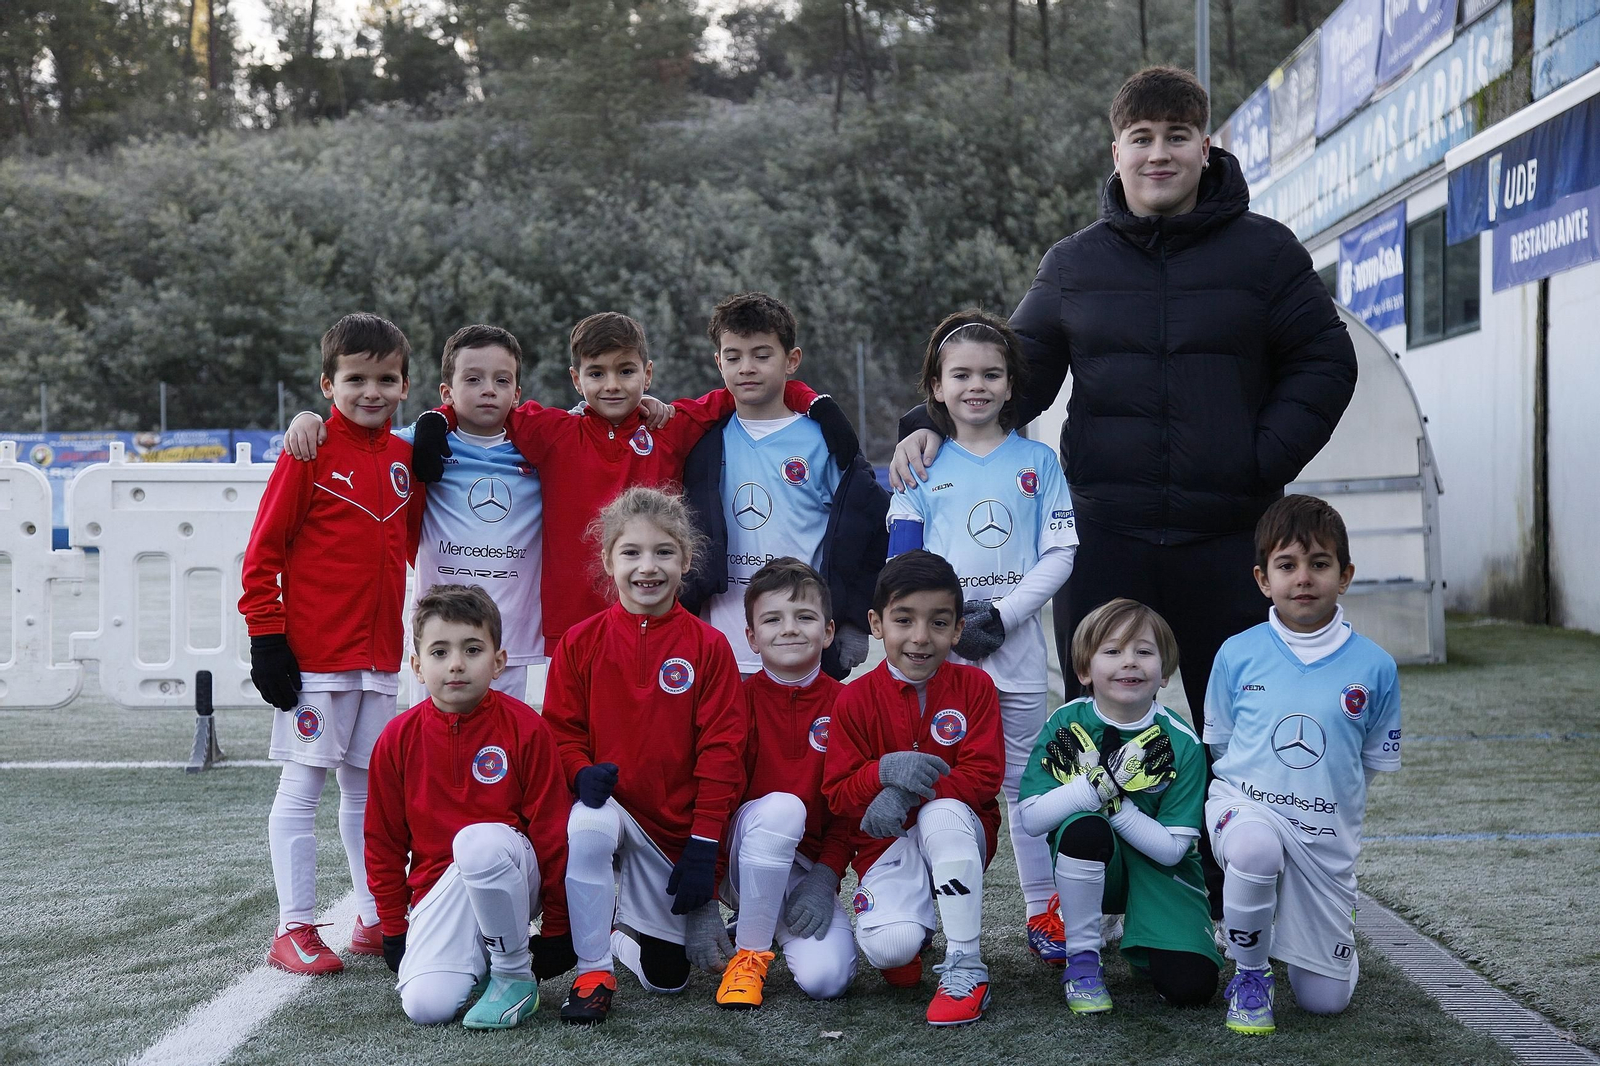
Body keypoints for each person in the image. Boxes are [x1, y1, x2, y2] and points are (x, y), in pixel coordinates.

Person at [890, 68, 1358, 915]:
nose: (1159, 153)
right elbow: (1012, 377)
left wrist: (1258, 458)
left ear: (1205, 146)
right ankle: (1099, 908)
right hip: (1110, 535)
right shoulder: (1074, 264)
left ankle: (1230, 902)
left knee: (1236, 730)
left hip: (1230, 539)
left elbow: (1326, 362)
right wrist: (923, 422)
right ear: (1117, 151)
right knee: (1097, 729)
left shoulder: (1267, 252)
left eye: (1177, 136)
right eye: (1141, 138)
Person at [412, 312, 852, 648]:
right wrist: (437, 417)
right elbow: (485, 401)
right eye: (596, 373)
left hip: (657, 614)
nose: (612, 385)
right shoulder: (552, 432)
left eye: (626, 371)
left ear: (648, 373)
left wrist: (814, 401)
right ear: (576, 379)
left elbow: (748, 387)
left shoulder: (669, 427)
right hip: (571, 628)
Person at [884, 310, 1079, 965]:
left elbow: (1060, 552)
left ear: (1010, 384)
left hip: (1017, 653)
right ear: (935, 387)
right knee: (929, 781)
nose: (977, 385)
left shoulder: (1038, 461)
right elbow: (901, 564)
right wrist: (939, 627)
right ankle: (910, 920)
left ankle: (1043, 911)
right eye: (960, 374)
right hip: (937, 660)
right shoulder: (917, 465)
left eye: (991, 374)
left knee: (1027, 785)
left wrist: (1003, 615)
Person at [239, 312, 421, 974]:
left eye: (385, 379)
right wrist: (267, 637)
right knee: (302, 786)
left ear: (405, 386)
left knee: (368, 793)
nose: (369, 391)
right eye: (355, 379)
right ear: (327, 384)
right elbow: (262, 552)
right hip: (314, 661)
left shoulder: (406, 460)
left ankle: (374, 916)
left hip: (378, 662)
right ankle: (293, 928)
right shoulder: (308, 450)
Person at [282, 324, 580, 702]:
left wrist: (650, 407)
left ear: (517, 394)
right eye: (473, 379)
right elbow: (357, 437)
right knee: (432, 745)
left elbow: (595, 426)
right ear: (447, 392)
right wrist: (307, 419)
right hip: (437, 633)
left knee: (501, 744)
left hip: (511, 635)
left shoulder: (544, 453)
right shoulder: (414, 446)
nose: (488, 389)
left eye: (501, 380)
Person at [541, 487, 747, 1024]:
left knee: (668, 980)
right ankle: (592, 971)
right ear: (609, 560)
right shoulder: (580, 642)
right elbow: (560, 731)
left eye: (663, 552)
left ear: (686, 560)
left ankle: (623, 936)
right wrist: (578, 770)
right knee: (588, 822)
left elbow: (722, 751)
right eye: (631, 552)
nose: (647, 567)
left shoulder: (709, 646)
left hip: (673, 836)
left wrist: (705, 847)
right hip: (613, 815)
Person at [1204, 494, 1401, 1035]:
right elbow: (1223, 749)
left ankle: (1315, 932)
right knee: (1254, 848)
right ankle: (1250, 974)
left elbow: (1365, 765)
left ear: (1345, 575)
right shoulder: (1235, 654)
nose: (1303, 578)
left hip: (1324, 842)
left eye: (1319, 564)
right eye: (1286, 565)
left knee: (1325, 1003)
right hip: (1245, 809)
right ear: (1264, 579)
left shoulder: (1376, 667)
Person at [364, 585, 574, 1029]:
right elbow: (383, 841)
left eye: (472, 649)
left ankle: (514, 975)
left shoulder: (526, 729)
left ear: (498, 662)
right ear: (418, 667)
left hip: (512, 874)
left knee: (477, 841)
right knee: (426, 1007)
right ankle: (480, 964)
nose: (456, 663)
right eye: (439, 652)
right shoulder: (396, 740)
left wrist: (558, 922)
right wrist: (392, 925)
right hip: (439, 891)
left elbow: (554, 832)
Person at [822, 550, 1004, 1027]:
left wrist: (909, 793)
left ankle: (967, 966)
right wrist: (882, 772)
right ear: (876, 623)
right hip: (884, 847)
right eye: (904, 620)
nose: (921, 638)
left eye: (938, 623)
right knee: (889, 950)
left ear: (958, 629)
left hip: (958, 833)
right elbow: (838, 793)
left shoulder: (976, 687)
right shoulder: (853, 699)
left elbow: (985, 778)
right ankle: (914, 931)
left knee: (939, 815)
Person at [1017, 598, 1219, 1015]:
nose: (1129, 662)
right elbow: (1032, 819)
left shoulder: (1181, 740)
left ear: (1164, 673)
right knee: (1084, 829)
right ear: (1084, 671)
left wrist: (1112, 799)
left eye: (1143, 652)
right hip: (1095, 860)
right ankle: (1083, 962)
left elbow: (1171, 850)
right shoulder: (1066, 722)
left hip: (1160, 869)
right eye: (1112, 651)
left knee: (1190, 988)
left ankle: (1150, 934)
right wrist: (1093, 791)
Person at [680, 292, 888, 680]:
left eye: (762, 355)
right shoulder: (701, 441)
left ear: (792, 360)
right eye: (733, 356)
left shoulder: (825, 442)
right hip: (718, 648)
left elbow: (870, 530)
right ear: (718, 362)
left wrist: (855, 618)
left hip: (801, 648)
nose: (747, 368)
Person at [707, 558, 858, 1009]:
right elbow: (715, 797)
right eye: (772, 619)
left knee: (827, 979)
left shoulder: (850, 704)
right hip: (742, 854)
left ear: (828, 632)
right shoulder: (734, 699)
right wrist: (707, 897)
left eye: (805, 617)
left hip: (807, 868)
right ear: (750, 637)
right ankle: (748, 957)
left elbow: (851, 808)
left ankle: (763, 920)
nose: (789, 629)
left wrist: (825, 878)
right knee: (783, 807)